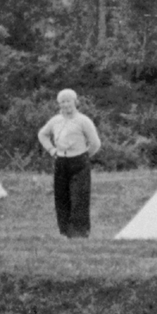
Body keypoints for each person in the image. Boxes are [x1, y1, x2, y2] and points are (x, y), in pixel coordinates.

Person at [37, 88, 102, 238]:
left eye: (68, 101)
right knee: (61, 197)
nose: (66, 105)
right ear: (59, 104)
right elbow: (42, 134)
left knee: (79, 197)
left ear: (75, 102)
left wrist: (85, 155)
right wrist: (51, 150)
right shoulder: (55, 120)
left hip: (79, 162)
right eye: (62, 102)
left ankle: (79, 233)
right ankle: (65, 231)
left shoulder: (83, 121)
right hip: (60, 161)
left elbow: (95, 143)